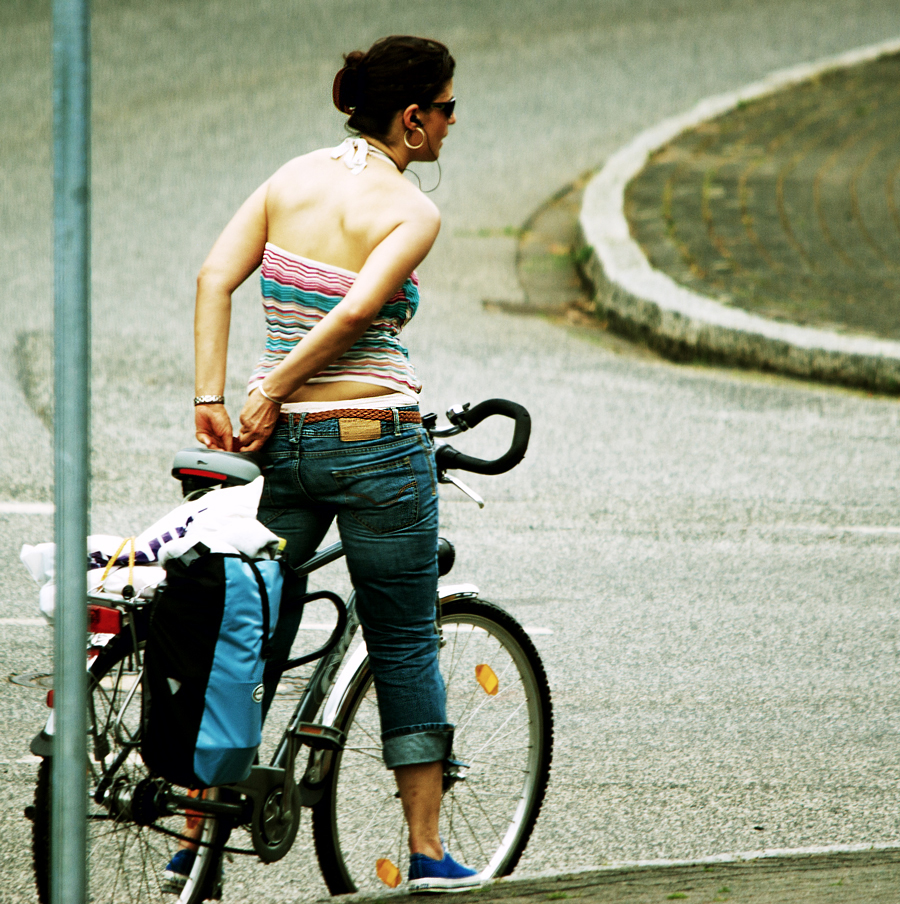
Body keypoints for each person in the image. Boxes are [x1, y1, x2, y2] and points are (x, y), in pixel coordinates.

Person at [168, 35, 479, 894]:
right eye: (448, 110)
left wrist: (216, 397)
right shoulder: (412, 213)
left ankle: (194, 833)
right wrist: (272, 385)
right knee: (407, 637)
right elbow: (353, 314)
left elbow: (212, 277)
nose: (454, 125)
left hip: (283, 450)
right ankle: (425, 854)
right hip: (374, 441)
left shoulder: (290, 177)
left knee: (250, 631)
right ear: (412, 119)